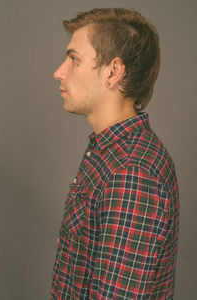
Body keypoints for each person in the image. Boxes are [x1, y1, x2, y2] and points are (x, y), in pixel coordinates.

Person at [51, 7, 179, 300]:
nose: (59, 71)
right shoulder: (110, 153)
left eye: (74, 60)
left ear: (113, 72)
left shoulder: (131, 173)